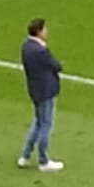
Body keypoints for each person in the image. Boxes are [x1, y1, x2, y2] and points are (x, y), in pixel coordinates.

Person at [18, 17, 64, 173]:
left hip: (35, 90)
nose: (46, 31)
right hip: (45, 91)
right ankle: (44, 160)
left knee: (38, 122)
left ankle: (25, 155)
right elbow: (55, 65)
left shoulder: (26, 46)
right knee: (46, 124)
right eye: (45, 29)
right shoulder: (41, 50)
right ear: (39, 31)